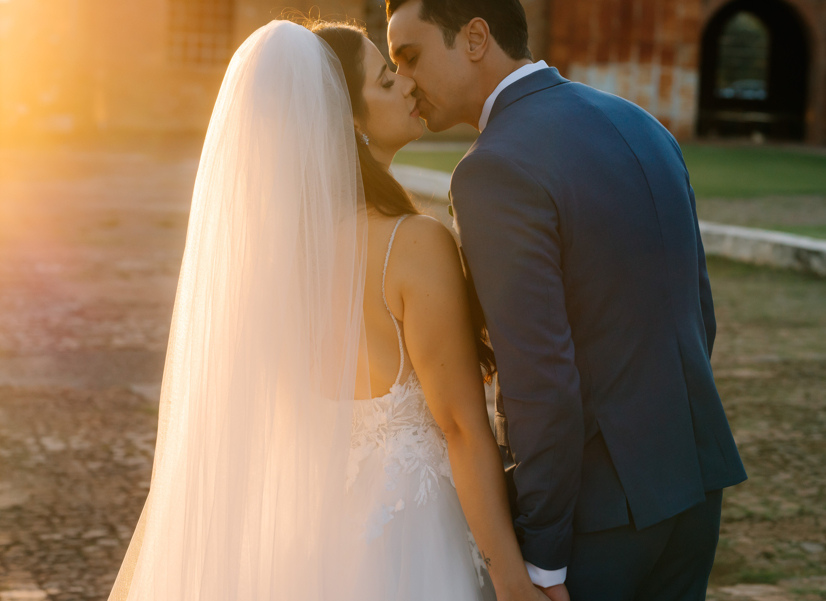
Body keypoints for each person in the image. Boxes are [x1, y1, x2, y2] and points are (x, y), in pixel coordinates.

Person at [107, 19, 549, 601]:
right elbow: (463, 427)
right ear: (347, 120)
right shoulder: (412, 244)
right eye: (389, 82)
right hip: (410, 548)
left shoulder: (271, 261)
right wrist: (513, 581)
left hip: (312, 548)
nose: (410, 87)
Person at [386, 1, 747, 600]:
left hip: (597, 521)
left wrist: (542, 558)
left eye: (411, 55)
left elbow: (540, 381)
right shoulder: (641, 123)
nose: (404, 79)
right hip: (693, 491)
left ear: (475, 38)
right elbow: (696, 314)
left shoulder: (493, 171)